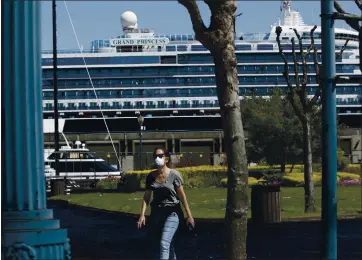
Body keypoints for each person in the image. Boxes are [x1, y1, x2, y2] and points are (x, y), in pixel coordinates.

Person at [137, 148, 195, 260]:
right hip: (157, 214)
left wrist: (189, 215)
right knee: (169, 244)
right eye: (155, 156)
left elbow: (182, 197)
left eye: (160, 156)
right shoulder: (151, 177)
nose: (157, 158)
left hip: (172, 213)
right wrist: (142, 215)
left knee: (164, 243)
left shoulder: (174, 175)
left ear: (166, 159)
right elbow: (147, 197)